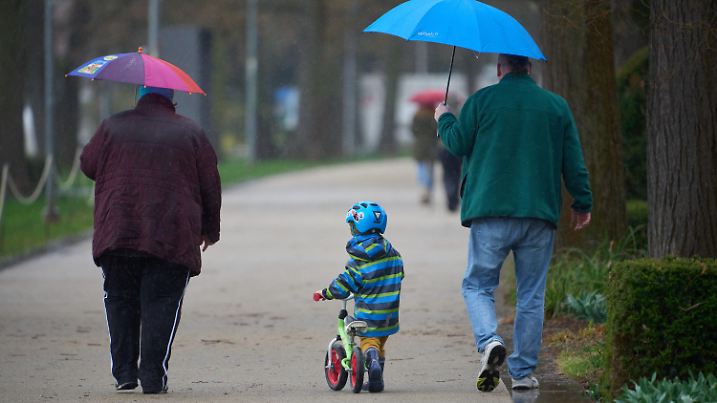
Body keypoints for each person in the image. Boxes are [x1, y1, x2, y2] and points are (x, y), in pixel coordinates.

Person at [434, 54, 592, 392]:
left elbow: (457, 143)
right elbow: (573, 159)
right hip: (538, 213)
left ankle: (490, 341)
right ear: (530, 68)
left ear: (499, 69)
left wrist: (444, 118)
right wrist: (582, 202)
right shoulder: (556, 106)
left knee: (478, 285)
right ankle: (521, 373)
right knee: (531, 295)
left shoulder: (482, 101)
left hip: (490, 211)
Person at [80, 86, 221, 394]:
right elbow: (210, 184)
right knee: (163, 302)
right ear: (172, 99)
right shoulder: (190, 132)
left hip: (117, 230)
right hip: (171, 234)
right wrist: (210, 230)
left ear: (138, 97)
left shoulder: (113, 126)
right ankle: (153, 376)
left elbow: (88, 165)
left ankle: (125, 373)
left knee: (120, 301)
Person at [313, 201, 404, 393]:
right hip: (389, 314)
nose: (351, 229)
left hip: (369, 313)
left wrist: (326, 293)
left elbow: (344, 284)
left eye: (352, 225)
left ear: (358, 227)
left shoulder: (358, 261)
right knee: (379, 342)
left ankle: (370, 358)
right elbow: (400, 274)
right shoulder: (393, 254)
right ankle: (376, 381)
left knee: (368, 342)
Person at [411, 103, 439, 205]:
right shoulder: (433, 115)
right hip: (431, 145)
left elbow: (413, 130)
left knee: (421, 167)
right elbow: (436, 130)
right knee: (430, 168)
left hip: (419, 145)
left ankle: (423, 189)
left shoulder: (417, 116)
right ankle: (429, 189)